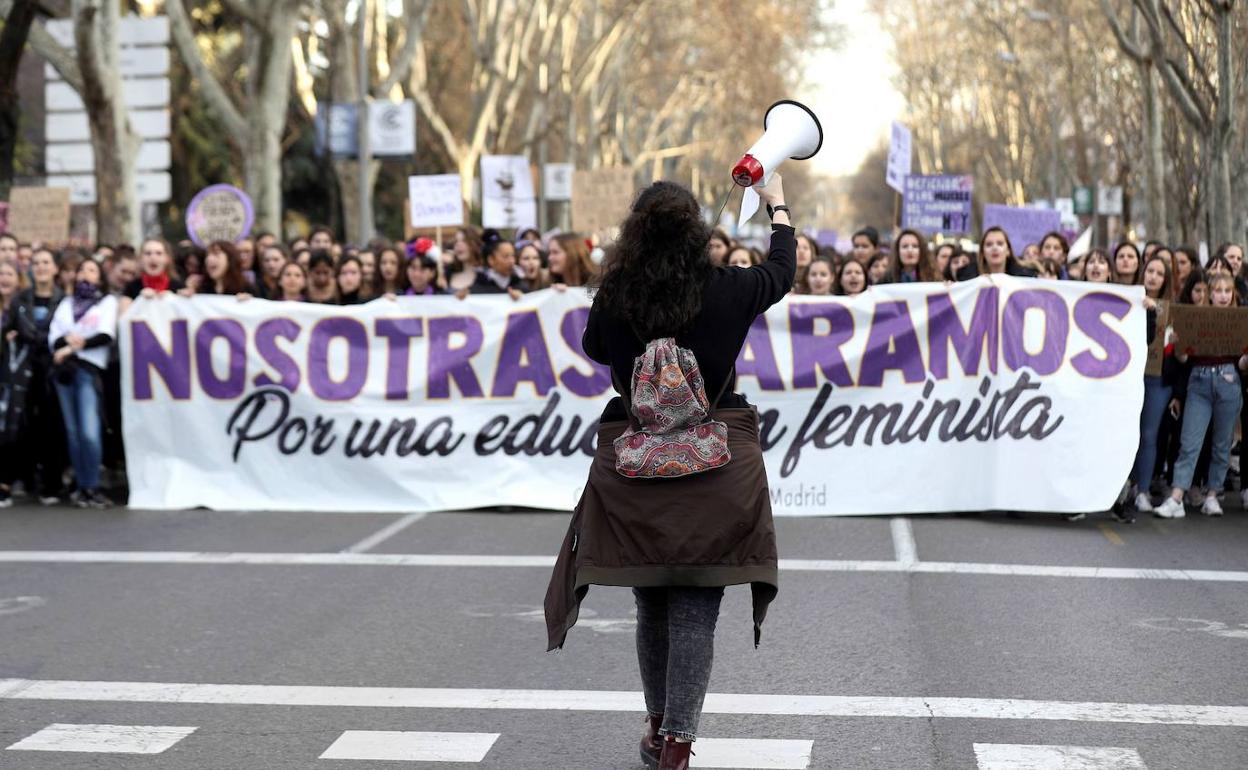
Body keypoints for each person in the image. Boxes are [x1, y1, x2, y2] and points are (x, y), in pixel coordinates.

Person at [546, 176, 791, 770]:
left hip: (636, 467)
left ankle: (657, 726)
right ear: (696, 233)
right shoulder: (729, 289)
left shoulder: (617, 295)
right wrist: (777, 204)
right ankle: (678, 744)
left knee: (650, 600)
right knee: (694, 607)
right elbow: (781, 273)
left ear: (633, 233)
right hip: (714, 470)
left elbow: (596, 348)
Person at [1154, 273, 1246, 519]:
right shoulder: (1197, 318)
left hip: (1228, 380)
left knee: (1221, 443)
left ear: (1233, 295)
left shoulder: (1240, 320)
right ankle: (1176, 497)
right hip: (1199, 380)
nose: (1223, 296)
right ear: (1210, 294)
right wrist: (1178, 345)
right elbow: (1184, 359)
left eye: (1228, 291)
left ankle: (1213, 495)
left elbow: (1242, 363)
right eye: (1218, 291)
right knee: (1189, 442)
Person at [48, 258, 117, 508]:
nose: (85, 274)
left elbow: (105, 334)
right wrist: (68, 346)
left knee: (89, 432)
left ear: (99, 277)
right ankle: (82, 486)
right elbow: (54, 337)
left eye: (91, 270)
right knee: (73, 433)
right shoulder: (66, 304)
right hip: (65, 373)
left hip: (88, 370)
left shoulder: (107, 302)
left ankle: (93, 484)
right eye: (81, 270)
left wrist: (73, 346)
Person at [0, 248, 66, 506]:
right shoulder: (20, 300)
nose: (40, 267)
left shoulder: (64, 300)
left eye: (46, 262)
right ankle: (13, 480)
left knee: (51, 426)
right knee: (17, 425)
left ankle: (52, 484)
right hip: (23, 371)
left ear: (55, 268)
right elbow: (10, 329)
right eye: (36, 263)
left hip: (52, 370)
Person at [1127, 254, 1177, 518]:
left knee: (1148, 435)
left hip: (1157, 380)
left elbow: (1177, 354)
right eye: (1150, 271)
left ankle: (1143, 490)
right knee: (1127, 431)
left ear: (1165, 279)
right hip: (1128, 376)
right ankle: (1125, 487)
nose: (1153, 277)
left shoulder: (1172, 309)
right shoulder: (1127, 300)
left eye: (1159, 273)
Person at [120, 238, 185, 314]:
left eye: (158, 253)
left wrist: (178, 299)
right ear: (140, 259)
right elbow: (123, 319)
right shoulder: (131, 288)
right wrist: (140, 300)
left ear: (167, 259)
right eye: (148, 253)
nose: (153, 257)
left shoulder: (179, 287)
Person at [956, 228, 1036, 279]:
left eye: (1000, 244)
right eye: (989, 244)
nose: (994, 248)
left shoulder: (1024, 278)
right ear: (983, 252)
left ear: (1008, 251)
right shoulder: (967, 278)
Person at [468, 230, 526, 298]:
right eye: (506, 256)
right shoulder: (478, 288)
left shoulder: (520, 284)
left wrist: (522, 298)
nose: (511, 261)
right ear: (491, 260)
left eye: (513, 256)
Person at [447, 227, 483, 293]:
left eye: (464, 241)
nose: (458, 244)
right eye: (456, 241)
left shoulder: (487, 276)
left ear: (475, 243)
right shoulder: (447, 273)